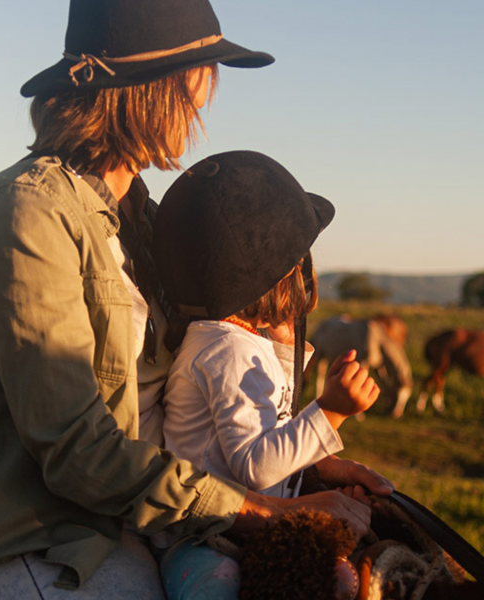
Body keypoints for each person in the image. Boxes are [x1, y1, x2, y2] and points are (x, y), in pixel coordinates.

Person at [0, 1, 392, 598]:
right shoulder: (28, 216)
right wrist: (260, 510)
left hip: (138, 516)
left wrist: (303, 468)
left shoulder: (139, 214)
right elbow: (77, 450)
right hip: (44, 533)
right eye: (198, 76)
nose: (204, 100)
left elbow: (178, 408)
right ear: (152, 87)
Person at [150, 150, 382, 600]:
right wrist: (331, 412)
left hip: (240, 522)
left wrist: (282, 341)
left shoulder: (230, 342)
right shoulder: (226, 351)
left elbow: (269, 413)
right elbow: (256, 467)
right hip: (205, 540)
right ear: (282, 276)